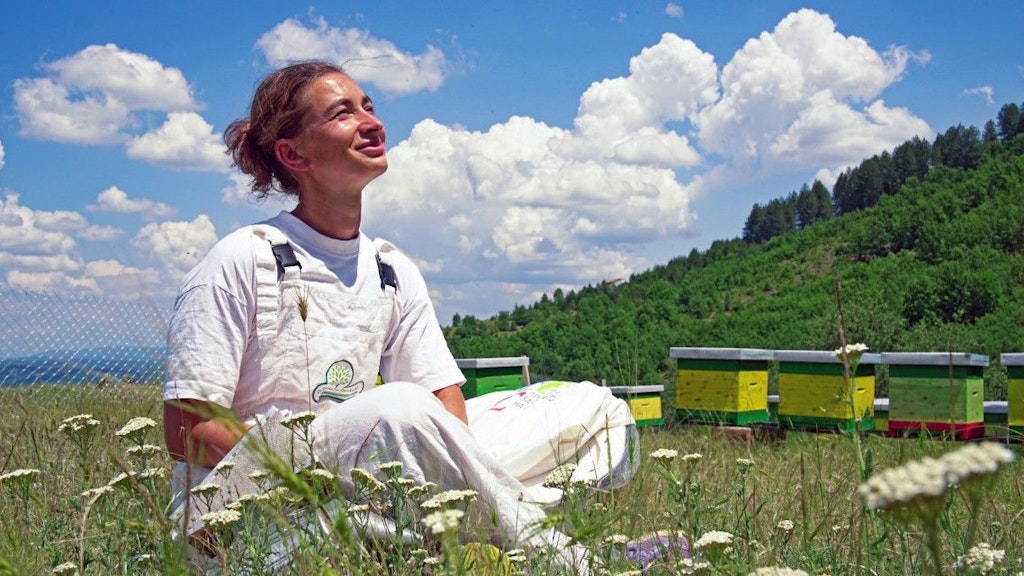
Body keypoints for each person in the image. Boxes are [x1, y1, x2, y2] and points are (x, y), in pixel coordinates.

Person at [162, 60, 590, 572]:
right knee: (398, 409)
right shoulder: (243, 258)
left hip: (366, 481)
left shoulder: (391, 267)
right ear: (292, 153)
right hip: (242, 512)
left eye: (369, 106)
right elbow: (187, 427)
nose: (371, 122)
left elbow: (443, 401)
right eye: (342, 113)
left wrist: (441, 460)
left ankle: (455, 528)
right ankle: (562, 559)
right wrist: (323, 472)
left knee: (587, 412)